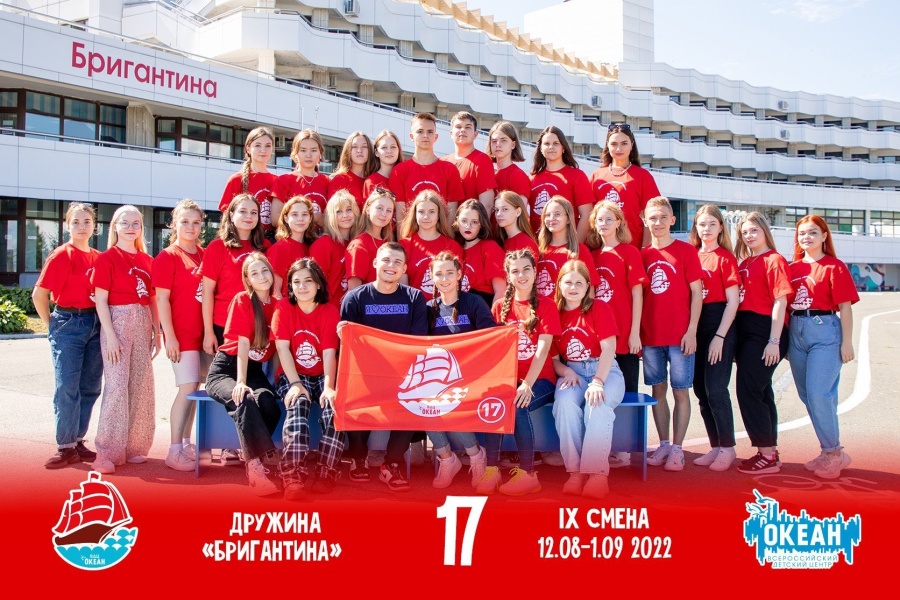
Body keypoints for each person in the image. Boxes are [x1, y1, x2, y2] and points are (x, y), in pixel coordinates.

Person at [340, 242, 428, 491]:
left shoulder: (414, 298)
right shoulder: (355, 298)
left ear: (404, 269)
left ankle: (392, 463)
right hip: (365, 374)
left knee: (414, 397)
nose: (391, 266)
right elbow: (349, 344)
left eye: (397, 262)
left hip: (402, 375)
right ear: (375, 263)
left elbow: (417, 342)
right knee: (353, 392)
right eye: (386, 260)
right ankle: (358, 458)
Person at [476, 249, 561, 496]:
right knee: (494, 400)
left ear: (535, 272)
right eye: (515, 271)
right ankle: (492, 470)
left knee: (517, 404)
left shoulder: (546, 305)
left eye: (526, 269)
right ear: (508, 276)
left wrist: (527, 384)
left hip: (540, 380)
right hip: (510, 379)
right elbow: (492, 348)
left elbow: (543, 350)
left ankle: (528, 474)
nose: (521, 275)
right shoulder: (499, 307)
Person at [90, 205, 160, 474]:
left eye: (136, 223)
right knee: (117, 386)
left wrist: (157, 332)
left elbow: (152, 299)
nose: (131, 228)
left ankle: (133, 447)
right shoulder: (107, 258)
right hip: (117, 323)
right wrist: (110, 336)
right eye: (125, 223)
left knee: (141, 385)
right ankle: (106, 452)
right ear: (115, 227)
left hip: (142, 322)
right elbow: (101, 301)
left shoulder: (147, 260)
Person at [788, 215, 858, 479]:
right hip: (796, 331)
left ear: (824, 236)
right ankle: (828, 450)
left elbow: (845, 308)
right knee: (808, 395)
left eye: (813, 233)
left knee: (820, 394)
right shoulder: (792, 268)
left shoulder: (834, 267)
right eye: (802, 233)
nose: (806, 237)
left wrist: (847, 342)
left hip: (825, 331)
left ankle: (834, 453)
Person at [200, 194, 268, 465]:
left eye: (254, 212)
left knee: (251, 388)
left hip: (254, 330)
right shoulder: (218, 247)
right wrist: (208, 331)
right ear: (231, 215)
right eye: (243, 211)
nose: (249, 217)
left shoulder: (264, 247)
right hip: (222, 326)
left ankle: (244, 446)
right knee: (229, 389)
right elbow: (207, 291)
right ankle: (230, 446)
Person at [33, 202, 102, 469]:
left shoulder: (98, 257)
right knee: (67, 387)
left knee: (90, 387)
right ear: (67, 225)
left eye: (87, 222)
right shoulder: (62, 255)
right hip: (68, 322)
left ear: (94, 226)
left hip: (95, 323)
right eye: (76, 222)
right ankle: (65, 446)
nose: (82, 227)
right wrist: (52, 326)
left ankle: (77, 440)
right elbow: (39, 295)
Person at [205, 253, 281, 496]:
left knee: (269, 403)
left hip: (254, 371)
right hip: (226, 369)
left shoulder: (279, 305)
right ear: (247, 279)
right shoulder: (242, 299)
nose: (261, 276)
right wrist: (239, 382)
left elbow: (279, 348)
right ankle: (255, 467)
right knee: (244, 398)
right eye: (254, 273)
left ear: (272, 273)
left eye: (265, 270)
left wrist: (278, 381)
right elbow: (243, 344)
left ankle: (257, 452)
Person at [552, 260, 625, 499]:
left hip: (604, 370)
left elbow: (608, 349)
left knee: (597, 404)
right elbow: (553, 359)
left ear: (587, 287)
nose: (573, 288)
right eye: (568, 282)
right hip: (572, 371)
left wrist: (598, 381)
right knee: (564, 404)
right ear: (559, 284)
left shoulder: (599, 308)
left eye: (579, 283)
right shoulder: (554, 313)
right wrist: (566, 372)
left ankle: (596, 475)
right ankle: (575, 472)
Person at [640, 197, 703, 472]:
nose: (658, 222)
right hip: (651, 337)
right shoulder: (642, 255)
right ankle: (664, 443)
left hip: (680, 337)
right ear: (645, 221)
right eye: (653, 218)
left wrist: (692, 331)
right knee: (658, 390)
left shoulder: (686, 251)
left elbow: (697, 293)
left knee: (680, 391)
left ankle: (678, 448)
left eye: (663, 217)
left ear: (672, 220)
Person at [272, 258, 342, 498]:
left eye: (308, 281)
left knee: (334, 408)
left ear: (318, 284)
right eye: (296, 282)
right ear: (290, 286)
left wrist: (329, 387)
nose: (302, 287)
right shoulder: (283, 307)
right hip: (293, 373)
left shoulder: (329, 311)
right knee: (298, 404)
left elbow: (329, 353)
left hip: (322, 374)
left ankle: (326, 471)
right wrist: (295, 384)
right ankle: (292, 475)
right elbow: (282, 349)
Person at [425, 252, 494, 488]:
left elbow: (490, 336)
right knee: (422, 401)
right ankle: (447, 458)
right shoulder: (429, 308)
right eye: (439, 274)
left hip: (473, 375)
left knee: (450, 398)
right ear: (432, 277)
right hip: (441, 376)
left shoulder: (473, 302)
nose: (444, 278)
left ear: (459, 275)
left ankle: (476, 455)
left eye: (449, 273)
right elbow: (418, 343)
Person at [152, 199, 208, 472]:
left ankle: (186, 443)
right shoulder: (168, 257)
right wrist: (169, 336)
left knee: (195, 390)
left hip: (203, 334)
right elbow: (161, 300)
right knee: (186, 388)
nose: (190, 227)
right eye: (185, 221)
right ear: (174, 224)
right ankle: (173, 450)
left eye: (196, 222)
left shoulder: (205, 254)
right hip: (182, 335)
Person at [733, 212, 791, 474]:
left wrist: (774, 341)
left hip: (765, 331)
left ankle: (767, 455)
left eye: (754, 230)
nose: (749, 235)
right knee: (762, 391)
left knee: (748, 390)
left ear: (765, 231)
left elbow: (780, 301)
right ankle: (769, 451)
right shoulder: (745, 262)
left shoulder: (774, 260)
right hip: (746, 331)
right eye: (744, 232)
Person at [688, 204, 740, 471]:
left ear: (721, 227)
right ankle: (716, 445)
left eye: (712, 224)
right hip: (695, 326)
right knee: (700, 389)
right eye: (701, 224)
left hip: (718, 324)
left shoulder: (725, 258)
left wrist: (720, 335)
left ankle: (728, 447)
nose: (706, 229)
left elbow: (733, 301)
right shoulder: (691, 256)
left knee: (716, 389)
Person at [586, 201, 646, 395]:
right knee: (600, 393)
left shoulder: (629, 252)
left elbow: (637, 294)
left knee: (628, 394)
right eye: (600, 220)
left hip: (625, 332)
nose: (603, 223)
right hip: (600, 333)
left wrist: (635, 332)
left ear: (618, 222)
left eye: (609, 219)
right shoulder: (592, 255)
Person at [590, 123, 661, 249]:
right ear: (607, 145)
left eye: (624, 143)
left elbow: (653, 216)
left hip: (634, 248)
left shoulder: (643, 176)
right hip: (600, 250)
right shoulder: (596, 176)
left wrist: (645, 249)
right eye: (614, 144)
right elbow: (588, 216)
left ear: (631, 145)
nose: (619, 149)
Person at [389, 112, 464, 224]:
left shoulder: (449, 170)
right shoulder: (399, 171)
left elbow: (451, 216)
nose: (425, 135)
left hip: (441, 234)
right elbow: (400, 217)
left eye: (430, 132)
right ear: (411, 136)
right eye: (420, 131)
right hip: (410, 234)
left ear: (436, 137)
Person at [528, 126, 593, 242]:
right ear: (540, 149)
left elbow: (587, 214)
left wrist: (576, 244)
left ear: (563, 148)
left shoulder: (576, 175)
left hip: (568, 244)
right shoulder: (532, 178)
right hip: (539, 245)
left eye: (556, 143)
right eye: (547, 144)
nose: (551, 147)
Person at [398, 190, 463, 300]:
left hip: (445, 307)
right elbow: (403, 289)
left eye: (431, 212)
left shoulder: (452, 246)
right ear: (415, 214)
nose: (426, 216)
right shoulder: (404, 245)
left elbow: (458, 286)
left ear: (438, 215)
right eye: (421, 212)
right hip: (416, 307)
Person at [218, 127, 278, 235]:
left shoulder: (278, 181)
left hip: (270, 239)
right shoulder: (236, 180)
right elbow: (226, 218)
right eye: (258, 145)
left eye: (268, 146)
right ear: (248, 148)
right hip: (243, 238)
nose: (263, 150)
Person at [536, 196, 598, 299]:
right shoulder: (538, 252)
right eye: (548, 215)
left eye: (557, 214)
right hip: (542, 309)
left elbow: (590, 294)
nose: (552, 218)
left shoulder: (579, 251)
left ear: (568, 219)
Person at [309, 190, 359, 309]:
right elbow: (314, 283)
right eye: (339, 211)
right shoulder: (323, 244)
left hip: (350, 311)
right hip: (328, 310)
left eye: (349, 209)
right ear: (331, 216)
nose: (345, 215)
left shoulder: (358, 243)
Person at [442, 111, 497, 213]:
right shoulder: (442, 163)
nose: (462, 130)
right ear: (451, 133)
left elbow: (487, 205)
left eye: (468, 127)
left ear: (475, 134)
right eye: (458, 127)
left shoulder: (482, 160)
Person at [454, 199, 506, 306]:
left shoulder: (490, 248)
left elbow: (501, 292)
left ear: (481, 224)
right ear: (457, 220)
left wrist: (490, 316)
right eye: (464, 221)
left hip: (483, 306)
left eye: (474, 222)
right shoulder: (454, 247)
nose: (468, 226)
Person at [273, 129, 330, 224]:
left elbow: (335, 218)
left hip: (321, 233)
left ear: (320, 153)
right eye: (303, 150)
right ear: (296, 153)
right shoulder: (284, 180)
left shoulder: (328, 182)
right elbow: (275, 219)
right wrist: (313, 217)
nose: (308, 155)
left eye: (313, 150)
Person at [345, 187, 395, 290]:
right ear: (368, 209)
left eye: (389, 210)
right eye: (379, 208)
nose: (384, 214)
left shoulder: (388, 242)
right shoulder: (359, 245)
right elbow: (354, 292)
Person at [267, 195, 316, 298]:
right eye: (295, 214)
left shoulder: (311, 247)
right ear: (286, 218)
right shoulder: (280, 248)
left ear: (310, 218)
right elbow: (275, 291)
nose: (300, 219)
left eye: (304, 214)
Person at [329, 131, 377, 207]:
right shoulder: (339, 180)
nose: (359, 150)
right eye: (354, 146)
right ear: (348, 151)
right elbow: (332, 211)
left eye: (364, 146)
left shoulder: (374, 180)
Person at [487, 121, 530, 198]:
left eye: (503, 140)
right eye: (494, 141)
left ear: (513, 145)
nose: (498, 145)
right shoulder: (489, 173)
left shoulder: (518, 175)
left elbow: (521, 205)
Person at [494, 190, 538, 257]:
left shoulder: (526, 244)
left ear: (518, 212)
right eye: (497, 210)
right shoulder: (501, 241)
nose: (498, 214)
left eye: (505, 209)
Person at [363, 129, 404, 199]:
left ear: (398, 150)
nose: (389, 151)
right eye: (384, 147)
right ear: (376, 152)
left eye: (393, 147)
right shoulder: (371, 182)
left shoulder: (406, 177)